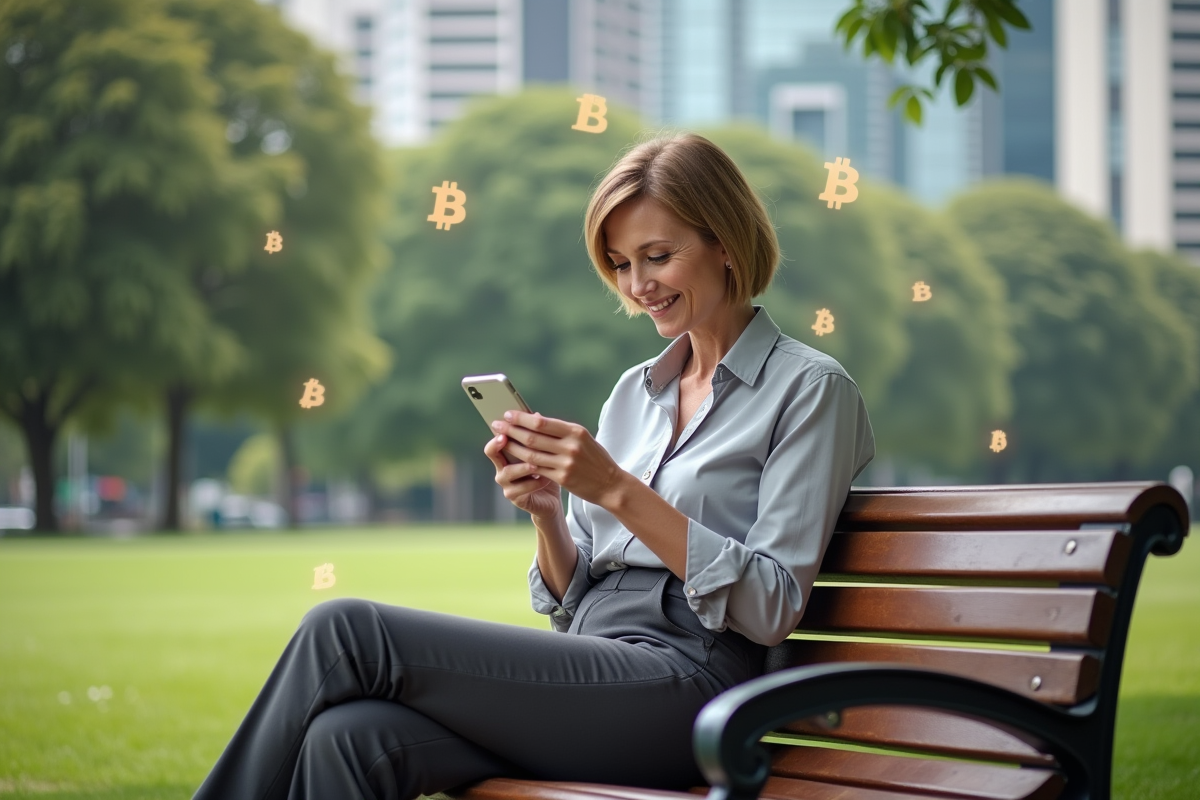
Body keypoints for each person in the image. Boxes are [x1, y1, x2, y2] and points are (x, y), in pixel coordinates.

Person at [190, 131, 875, 800]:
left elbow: (773, 606)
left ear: (724, 243)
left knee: (344, 631)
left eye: (657, 256)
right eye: (620, 264)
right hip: (601, 667)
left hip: (695, 688)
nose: (638, 285)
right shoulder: (635, 392)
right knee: (349, 738)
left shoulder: (811, 389)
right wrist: (548, 516)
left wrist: (616, 489)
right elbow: (572, 607)